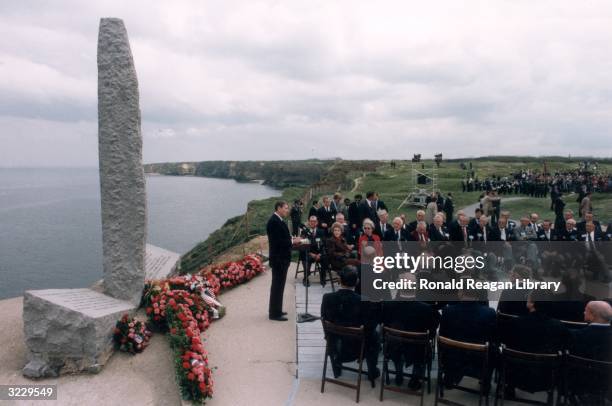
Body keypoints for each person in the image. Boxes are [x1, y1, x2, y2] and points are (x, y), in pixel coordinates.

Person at [321, 266, 380, 384]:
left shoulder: (327, 298)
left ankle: (337, 366)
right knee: (375, 335)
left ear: (339, 280)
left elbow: (325, 318)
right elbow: (370, 327)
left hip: (335, 346)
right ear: (357, 282)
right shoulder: (365, 301)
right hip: (357, 349)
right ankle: (372, 371)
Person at [267, 201, 301, 321]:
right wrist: (293, 242)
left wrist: (292, 238)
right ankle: (274, 314)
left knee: (279, 285)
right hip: (278, 259)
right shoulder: (274, 222)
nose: (287, 210)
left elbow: (283, 237)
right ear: (279, 208)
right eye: (286, 208)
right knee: (277, 286)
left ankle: (277, 310)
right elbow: (278, 242)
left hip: (281, 259)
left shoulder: (278, 220)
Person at [299, 215, 328, 287]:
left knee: (325, 258)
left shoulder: (321, 231)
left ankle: (323, 277)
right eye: (311, 221)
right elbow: (302, 246)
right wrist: (310, 253)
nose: (312, 223)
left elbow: (324, 244)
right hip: (308, 253)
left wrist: (320, 254)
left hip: (319, 253)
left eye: (314, 221)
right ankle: (306, 278)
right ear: (308, 222)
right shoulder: (304, 232)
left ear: (317, 222)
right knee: (305, 258)